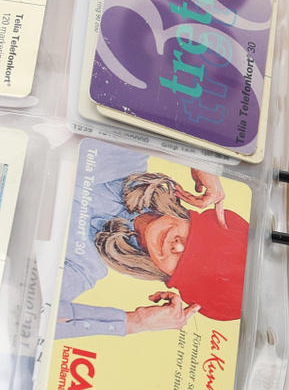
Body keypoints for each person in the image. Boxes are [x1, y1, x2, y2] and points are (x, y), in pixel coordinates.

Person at [56, 144, 248, 338]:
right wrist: (199, 153)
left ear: (165, 275)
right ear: (189, 218)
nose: (178, 245)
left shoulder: (84, 268)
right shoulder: (132, 155)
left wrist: (135, 322)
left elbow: (43, 316)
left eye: (186, 263)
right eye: (197, 241)